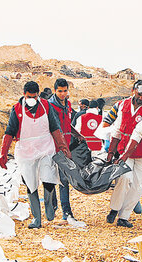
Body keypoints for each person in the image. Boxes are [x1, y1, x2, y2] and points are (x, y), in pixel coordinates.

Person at [0, 81, 71, 229]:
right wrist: (3, 153)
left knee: (48, 176)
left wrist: (63, 147)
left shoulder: (46, 106)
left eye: (34, 96)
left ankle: (49, 205)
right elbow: (9, 132)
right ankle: (36, 219)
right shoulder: (17, 109)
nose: (32, 98)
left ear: (38, 95)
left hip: (45, 147)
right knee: (30, 184)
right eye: (29, 96)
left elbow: (55, 128)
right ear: (24, 94)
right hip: (26, 151)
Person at [106, 80, 142, 228]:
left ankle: (124, 216)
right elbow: (117, 129)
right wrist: (111, 152)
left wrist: (124, 156)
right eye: (139, 94)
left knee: (137, 185)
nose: (141, 98)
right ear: (133, 90)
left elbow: (138, 133)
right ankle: (114, 209)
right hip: (124, 149)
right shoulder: (123, 105)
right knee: (123, 178)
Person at [48, 78, 85, 221]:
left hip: (66, 145)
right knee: (54, 178)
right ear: (55, 90)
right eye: (60, 91)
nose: (63, 94)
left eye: (65, 91)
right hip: (55, 146)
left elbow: (67, 124)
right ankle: (56, 208)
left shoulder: (68, 105)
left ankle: (64, 210)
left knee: (64, 179)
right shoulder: (51, 106)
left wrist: (78, 135)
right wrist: (64, 149)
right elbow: (55, 127)